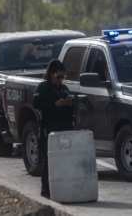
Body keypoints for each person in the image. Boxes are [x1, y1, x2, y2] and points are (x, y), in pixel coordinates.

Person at [32, 59, 73, 198]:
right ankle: (46, 192)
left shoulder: (64, 88)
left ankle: (62, 189)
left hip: (64, 128)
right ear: (51, 74)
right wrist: (54, 104)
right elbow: (36, 103)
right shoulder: (43, 87)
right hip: (48, 128)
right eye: (58, 77)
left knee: (64, 160)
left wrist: (69, 103)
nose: (60, 80)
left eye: (63, 77)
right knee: (48, 160)